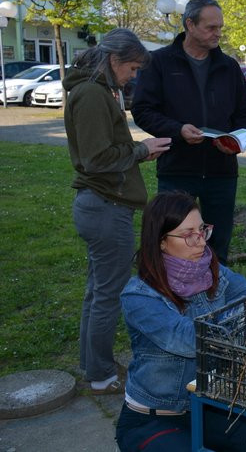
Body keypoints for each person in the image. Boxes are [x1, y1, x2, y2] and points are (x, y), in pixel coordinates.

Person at [116, 191, 246, 452]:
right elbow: (189, 340)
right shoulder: (139, 296)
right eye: (188, 234)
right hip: (153, 417)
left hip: (205, 405)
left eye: (202, 230)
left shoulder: (212, 271)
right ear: (161, 242)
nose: (200, 242)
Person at [64, 28, 171, 395]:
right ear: (114, 60)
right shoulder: (92, 95)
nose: (134, 76)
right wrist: (141, 150)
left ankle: (96, 365)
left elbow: (103, 154)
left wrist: (139, 152)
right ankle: (102, 376)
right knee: (108, 294)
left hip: (104, 206)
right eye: (133, 68)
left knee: (98, 291)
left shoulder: (96, 91)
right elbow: (96, 160)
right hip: (105, 208)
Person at [132, 0, 246, 264]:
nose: (218, 33)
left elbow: (245, 115)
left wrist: (234, 140)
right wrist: (178, 130)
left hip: (221, 171)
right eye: (211, 27)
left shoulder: (229, 67)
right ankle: (173, 296)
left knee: (217, 245)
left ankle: (215, 296)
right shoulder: (159, 62)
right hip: (177, 169)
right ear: (190, 24)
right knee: (173, 243)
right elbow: (142, 109)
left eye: (220, 27)